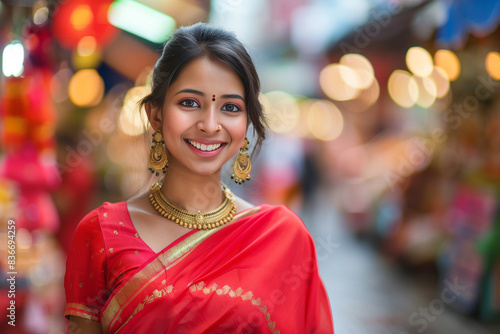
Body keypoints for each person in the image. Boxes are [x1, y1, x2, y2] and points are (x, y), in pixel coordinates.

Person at [64, 22, 334, 333]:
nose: (209, 124)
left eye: (230, 107)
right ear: (156, 114)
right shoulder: (102, 234)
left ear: (246, 122)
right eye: (190, 103)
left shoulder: (281, 237)